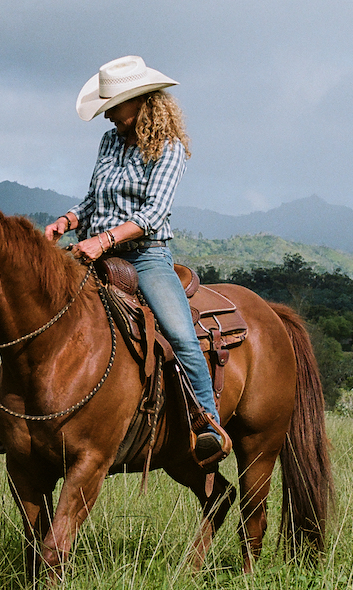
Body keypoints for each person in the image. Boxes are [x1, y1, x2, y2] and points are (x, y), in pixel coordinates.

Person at [45, 56, 231, 467]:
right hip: (93, 252)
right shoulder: (110, 142)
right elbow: (95, 197)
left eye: (114, 104)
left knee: (181, 335)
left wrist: (103, 240)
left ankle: (207, 423)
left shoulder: (169, 148)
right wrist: (68, 220)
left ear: (140, 102)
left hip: (145, 258)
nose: (108, 112)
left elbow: (151, 214)